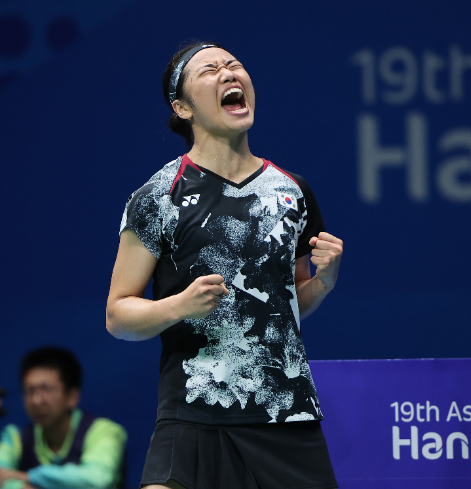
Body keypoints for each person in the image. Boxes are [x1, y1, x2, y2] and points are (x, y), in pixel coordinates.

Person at [106, 41, 343, 489]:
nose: (230, 74)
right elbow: (118, 315)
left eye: (235, 65)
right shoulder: (158, 197)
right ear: (182, 107)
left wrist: (324, 282)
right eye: (210, 71)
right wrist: (179, 306)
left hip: (284, 412)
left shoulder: (292, 191)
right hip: (193, 412)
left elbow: (290, 303)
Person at [0, 347, 127, 489]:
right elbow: (1, 477)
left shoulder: (104, 431)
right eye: (30, 390)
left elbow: (97, 480)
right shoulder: (15, 437)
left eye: (46, 389)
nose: (36, 401)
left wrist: (29, 477)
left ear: (72, 396)